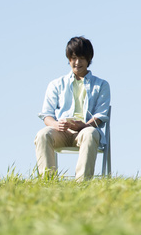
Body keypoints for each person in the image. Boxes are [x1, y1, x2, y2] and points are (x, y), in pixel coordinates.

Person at [34, 36, 111, 180]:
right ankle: (47, 182)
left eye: (81, 58)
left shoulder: (101, 85)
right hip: (61, 132)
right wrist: (56, 124)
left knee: (90, 133)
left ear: (89, 59)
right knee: (43, 134)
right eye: (74, 58)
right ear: (68, 59)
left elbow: (101, 115)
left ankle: (82, 184)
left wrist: (84, 125)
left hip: (85, 130)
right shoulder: (56, 84)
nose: (77, 62)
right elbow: (47, 115)